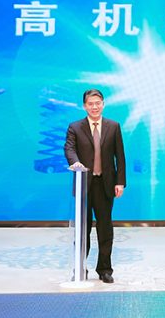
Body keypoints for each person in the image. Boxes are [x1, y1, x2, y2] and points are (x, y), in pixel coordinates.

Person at [63, 89, 126, 283]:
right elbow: (69, 148)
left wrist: (120, 182)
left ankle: (105, 269)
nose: (94, 107)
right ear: (85, 106)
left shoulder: (113, 126)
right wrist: (76, 163)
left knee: (105, 229)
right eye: (90, 104)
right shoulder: (75, 127)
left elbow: (120, 156)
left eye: (98, 103)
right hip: (84, 184)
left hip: (105, 184)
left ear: (103, 104)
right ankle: (80, 267)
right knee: (83, 230)